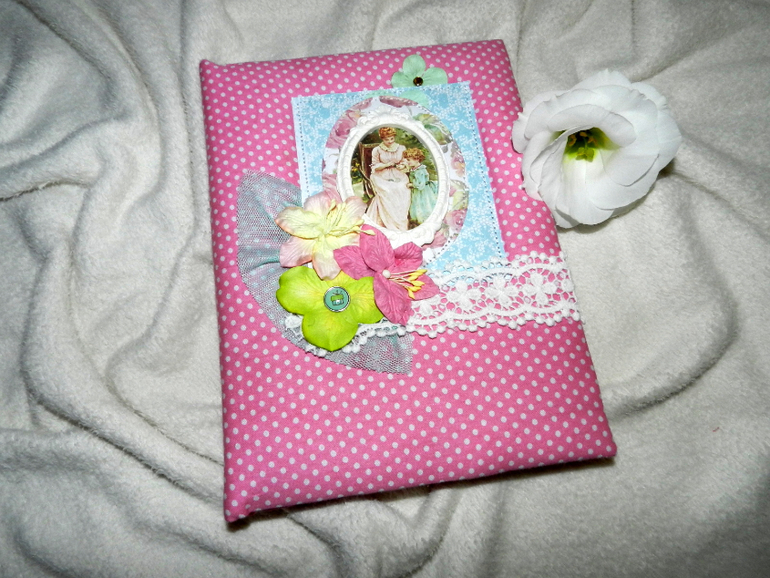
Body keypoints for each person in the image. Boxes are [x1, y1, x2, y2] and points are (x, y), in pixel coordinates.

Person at [365, 127, 410, 231]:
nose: (390, 141)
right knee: (388, 190)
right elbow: (374, 166)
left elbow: (405, 161)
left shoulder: (401, 148)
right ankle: (388, 220)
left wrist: (402, 165)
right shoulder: (377, 150)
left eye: (392, 138)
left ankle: (399, 219)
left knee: (402, 187)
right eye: (386, 139)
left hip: (398, 174)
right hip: (381, 175)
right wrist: (386, 165)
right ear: (382, 139)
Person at [402, 148, 437, 225]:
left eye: (409, 160)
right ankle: (417, 220)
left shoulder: (420, 171)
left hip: (422, 191)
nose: (407, 162)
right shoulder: (414, 169)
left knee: (422, 205)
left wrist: (411, 184)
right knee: (416, 204)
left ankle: (423, 221)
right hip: (417, 191)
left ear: (417, 159)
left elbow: (421, 184)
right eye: (407, 160)